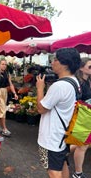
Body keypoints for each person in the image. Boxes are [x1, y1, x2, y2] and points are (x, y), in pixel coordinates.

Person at [36, 48, 81, 178]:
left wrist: (40, 88)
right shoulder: (74, 81)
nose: (52, 62)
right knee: (62, 164)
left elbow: (41, 108)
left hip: (52, 138)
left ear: (65, 64)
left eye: (55, 59)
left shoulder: (59, 86)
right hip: (63, 134)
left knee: (53, 171)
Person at [71, 58, 91, 178]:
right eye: (89, 66)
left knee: (82, 144)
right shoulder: (78, 83)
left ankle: (62, 152)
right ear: (81, 68)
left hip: (87, 115)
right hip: (82, 116)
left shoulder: (88, 81)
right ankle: (78, 173)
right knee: (82, 145)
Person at [0, 58, 18, 137]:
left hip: (4, 92)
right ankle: (4, 129)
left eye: (5, 64)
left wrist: (14, 93)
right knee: (3, 110)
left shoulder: (7, 74)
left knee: (1, 110)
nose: (4, 66)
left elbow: (10, 84)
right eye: (2, 64)